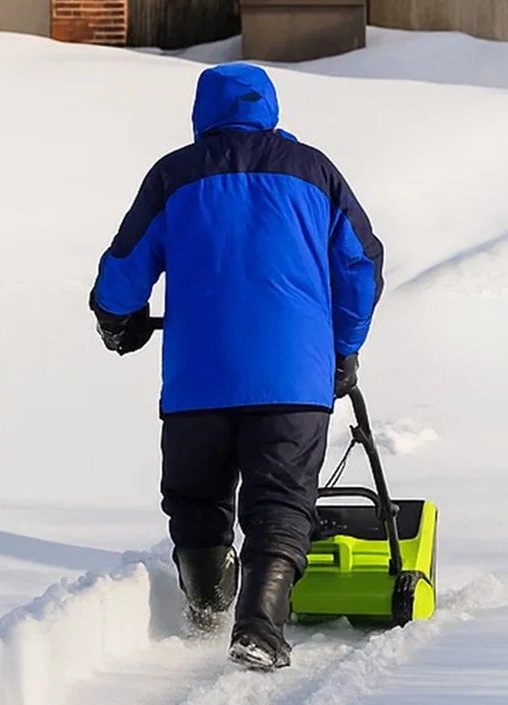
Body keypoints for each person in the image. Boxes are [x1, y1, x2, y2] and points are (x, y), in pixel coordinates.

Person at [90, 62, 384, 671]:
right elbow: (360, 264)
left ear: (203, 113)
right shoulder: (315, 172)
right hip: (292, 380)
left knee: (196, 499)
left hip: (199, 379)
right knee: (279, 503)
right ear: (270, 109)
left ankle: (204, 613)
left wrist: (117, 320)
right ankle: (258, 628)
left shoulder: (174, 175)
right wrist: (343, 348)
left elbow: (125, 264)